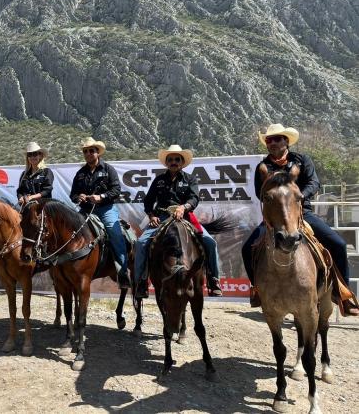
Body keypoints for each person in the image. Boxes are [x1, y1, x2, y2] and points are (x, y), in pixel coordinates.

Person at [241, 124, 359, 316]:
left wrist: (300, 196)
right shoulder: (263, 167)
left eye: (277, 139)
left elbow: (314, 182)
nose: (272, 143)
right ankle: (257, 290)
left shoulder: (302, 160)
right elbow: (259, 193)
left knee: (338, 244)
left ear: (286, 141)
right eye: (269, 140)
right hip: (276, 216)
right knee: (247, 248)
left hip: (303, 212)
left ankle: (344, 295)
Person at [133, 145, 223, 298]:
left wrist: (184, 207)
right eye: (170, 160)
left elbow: (194, 198)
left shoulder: (190, 179)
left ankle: (214, 280)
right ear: (166, 163)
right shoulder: (159, 180)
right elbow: (148, 200)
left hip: (185, 216)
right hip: (161, 217)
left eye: (176, 159)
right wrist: (151, 215)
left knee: (210, 242)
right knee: (141, 243)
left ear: (182, 162)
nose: (173, 162)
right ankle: (141, 282)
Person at [69, 137, 131, 289]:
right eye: (86, 151)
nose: (89, 153)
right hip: (85, 210)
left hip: (105, 209)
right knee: (72, 232)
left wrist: (101, 197)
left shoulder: (108, 169)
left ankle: (122, 271)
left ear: (98, 153)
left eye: (92, 151)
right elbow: (73, 195)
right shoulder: (80, 173)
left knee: (114, 232)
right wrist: (79, 197)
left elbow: (116, 190)